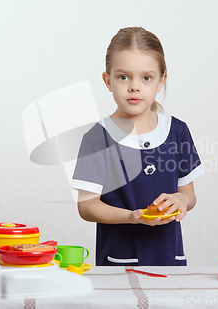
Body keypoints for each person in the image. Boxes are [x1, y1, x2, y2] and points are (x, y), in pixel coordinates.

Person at [71, 26, 204, 266]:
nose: (134, 86)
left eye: (146, 77)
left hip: (170, 263)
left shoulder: (177, 131)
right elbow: (87, 206)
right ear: (107, 80)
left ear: (161, 80)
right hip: (118, 265)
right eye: (123, 77)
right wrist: (132, 217)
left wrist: (181, 201)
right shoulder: (97, 138)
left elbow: (188, 193)